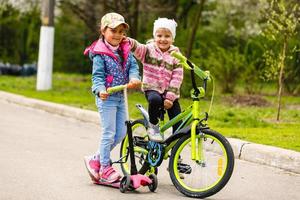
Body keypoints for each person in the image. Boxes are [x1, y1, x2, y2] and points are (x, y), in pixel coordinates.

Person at [83, 12, 141, 183]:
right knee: (109, 133)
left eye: (121, 31)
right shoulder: (100, 54)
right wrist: (100, 90)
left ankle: (95, 159)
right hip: (107, 97)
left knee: (121, 133)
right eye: (113, 30)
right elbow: (97, 77)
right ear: (103, 30)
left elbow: (132, 66)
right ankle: (105, 167)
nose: (117, 35)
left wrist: (134, 77)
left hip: (121, 97)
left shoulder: (125, 49)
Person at [127, 18, 183, 142]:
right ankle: (153, 126)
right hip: (152, 88)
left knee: (178, 120)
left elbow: (177, 77)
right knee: (155, 99)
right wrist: (129, 42)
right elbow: (138, 47)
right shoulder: (148, 49)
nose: (163, 39)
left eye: (167, 36)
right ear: (154, 36)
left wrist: (170, 97)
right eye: (159, 35)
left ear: (172, 38)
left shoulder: (176, 55)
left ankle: (176, 146)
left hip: (170, 93)